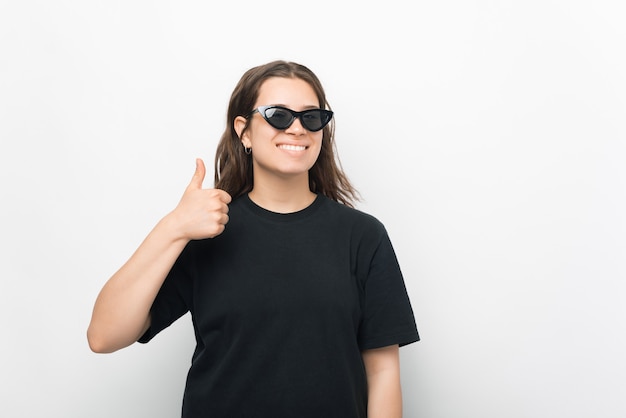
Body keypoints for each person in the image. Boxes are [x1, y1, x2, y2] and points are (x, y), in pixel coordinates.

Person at [87, 60, 419, 418]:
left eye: (311, 117)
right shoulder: (205, 231)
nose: (296, 129)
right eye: (278, 115)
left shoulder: (363, 236)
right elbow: (104, 336)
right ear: (243, 131)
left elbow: (383, 371)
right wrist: (173, 227)